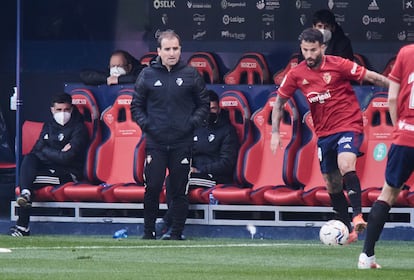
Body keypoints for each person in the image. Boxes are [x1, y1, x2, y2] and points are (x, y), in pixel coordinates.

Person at [270, 28, 389, 244]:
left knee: (346, 165)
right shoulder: (296, 74)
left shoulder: (338, 64)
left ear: (322, 47)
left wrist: (397, 89)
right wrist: (275, 133)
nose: (308, 55)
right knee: (332, 183)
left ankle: (358, 216)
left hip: (348, 125)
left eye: (313, 50)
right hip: (324, 134)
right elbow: (279, 103)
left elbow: (369, 76)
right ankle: (345, 227)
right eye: (305, 50)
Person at [130, 30, 209, 240]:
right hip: (155, 142)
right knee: (153, 188)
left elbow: (204, 105)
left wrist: (190, 124)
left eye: (175, 48)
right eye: (167, 49)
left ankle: (176, 234)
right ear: (159, 51)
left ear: (180, 50)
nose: (172, 53)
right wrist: (148, 126)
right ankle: (149, 233)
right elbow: (136, 106)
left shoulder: (191, 74)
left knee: (178, 190)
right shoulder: (147, 75)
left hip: (182, 143)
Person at [357, 44, 414, 269]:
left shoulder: (406, 52)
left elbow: (392, 98)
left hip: (405, 134)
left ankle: (366, 256)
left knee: (388, 194)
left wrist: (398, 126)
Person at [159, 90, 240, 239]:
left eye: (213, 109)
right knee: (172, 179)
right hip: (194, 175)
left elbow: (227, 163)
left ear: (219, 109)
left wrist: (200, 169)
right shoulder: (195, 129)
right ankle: (174, 230)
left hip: (216, 177)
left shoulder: (227, 131)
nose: (210, 112)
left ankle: (167, 223)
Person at [9, 93, 89, 236]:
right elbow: (36, 150)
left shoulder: (79, 128)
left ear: (71, 109)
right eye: (59, 110)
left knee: (27, 183)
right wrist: (55, 152)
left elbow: (66, 158)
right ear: (52, 110)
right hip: (49, 169)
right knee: (30, 158)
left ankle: (22, 227)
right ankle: (24, 207)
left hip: (68, 173)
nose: (62, 114)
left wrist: (45, 149)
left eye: (66, 110)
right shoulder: (49, 125)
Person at [80, 50, 145, 86]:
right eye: (113, 66)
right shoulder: (109, 73)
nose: (115, 69)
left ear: (129, 67)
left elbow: (142, 78)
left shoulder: (141, 70)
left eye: (119, 66)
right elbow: (85, 75)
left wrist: (118, 80)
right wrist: (107, 79)